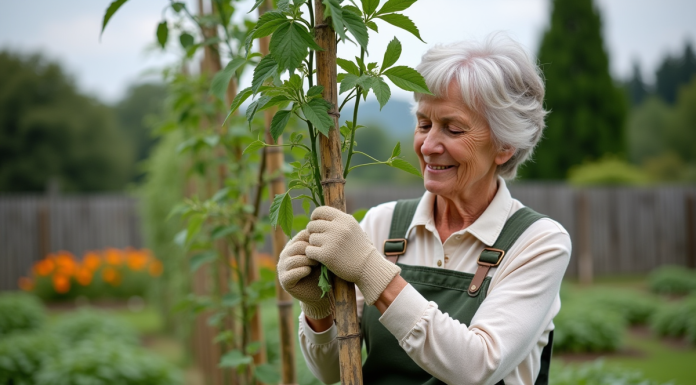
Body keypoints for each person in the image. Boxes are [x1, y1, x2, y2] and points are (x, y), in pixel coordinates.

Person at [277, 35, 571, 385]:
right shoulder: (384, 224)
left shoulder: (537, 243)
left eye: (453, 128)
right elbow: (331, 372)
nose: (429, 145)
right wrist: (318, 311)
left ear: (504, 146)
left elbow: (477, 367)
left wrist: (372, 271)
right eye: (424, 124)